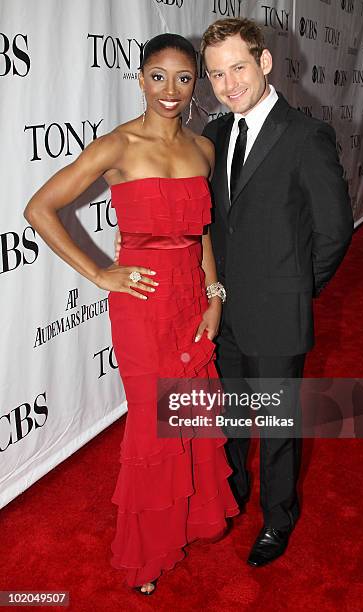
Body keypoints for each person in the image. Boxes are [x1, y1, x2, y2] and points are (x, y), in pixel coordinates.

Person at [24, 33, 239, 596]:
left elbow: (202, 230)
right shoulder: (117, 147)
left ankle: (188, 522)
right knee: (152, 422)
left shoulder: (203, 149)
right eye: (158, 77)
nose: (170, 90)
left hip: (193, 296)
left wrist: (214, 292)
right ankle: (147, 555)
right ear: (140, 79)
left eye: (184, 78)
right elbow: (39, 209)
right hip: (141, 307)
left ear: (198, 86)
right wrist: (99, 274)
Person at [199, 18, 354, 567]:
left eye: (238, 67)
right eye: (216, 73)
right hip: (224, 312)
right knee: (234, 417)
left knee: (279, 425)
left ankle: (278, 517)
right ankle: (234, 493)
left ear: (264, 64)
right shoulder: (213, 136)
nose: (228, 83)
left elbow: (335, 231)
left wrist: (294, 290)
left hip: (279, 313)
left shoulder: (306, 134)